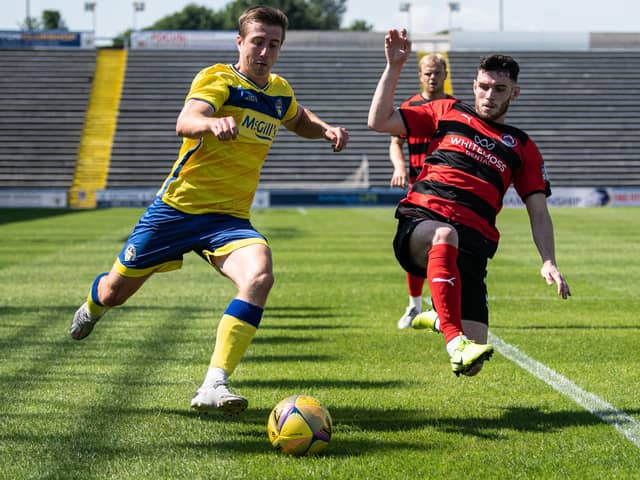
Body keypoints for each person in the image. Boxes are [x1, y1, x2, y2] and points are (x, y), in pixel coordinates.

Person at [69, 5, 349, 415]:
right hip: (176, 210)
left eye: (274, 44)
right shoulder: (218, 78)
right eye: (257, 42)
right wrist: (211, 124)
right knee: (115, 292)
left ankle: (213, 384)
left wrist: (325, 129)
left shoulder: (278, 91)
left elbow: (296, 116)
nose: (264, 51)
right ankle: (91, 308)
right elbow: (186, 120)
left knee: (260, 275)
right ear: (240, 42)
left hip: (228, 219)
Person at [368, 29, 570, 377]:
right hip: (422, 223)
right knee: (445, 234)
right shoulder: (445, 110)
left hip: (474, 248)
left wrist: (548, 260)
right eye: (483, 86)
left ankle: (438, 317)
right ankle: (451, 337)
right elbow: (378, 121)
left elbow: (539, 210)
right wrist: (393, 67)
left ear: (515, 93)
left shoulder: (523, 147)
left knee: (472, 366)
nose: (489, 95)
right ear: (474, 85)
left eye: (499, 89)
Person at [389, 53, 453, 330]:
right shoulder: (410, 106)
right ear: (419, 75)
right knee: (414, 246)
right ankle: (415, 305)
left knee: (446, 246)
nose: (432, 77)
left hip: (446, 190)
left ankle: (443, 308)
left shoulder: (455, 108)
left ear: (445, 74)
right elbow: (395, 143)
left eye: (437, 72)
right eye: (427, 72)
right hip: (417, 188)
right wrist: (399, 166)